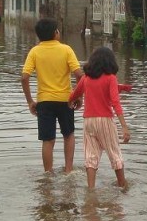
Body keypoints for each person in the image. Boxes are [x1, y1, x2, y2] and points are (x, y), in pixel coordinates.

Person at [21, 18, 84, 173]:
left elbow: (24, 78)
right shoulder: (66, 50)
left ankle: (48, 174)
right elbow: (80, 76)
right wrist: (78, 96)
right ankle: (68, 171)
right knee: (68, 135)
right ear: (55, 33)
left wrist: (30, 102)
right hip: (66, 101)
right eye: (58, 30)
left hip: (44, 102)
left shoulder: (34, 51)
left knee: (47, 140)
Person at [69, 47, 131, 189]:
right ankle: (122, 185)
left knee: (90, 156)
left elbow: (74, 94)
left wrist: (70, 103)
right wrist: (124, 126)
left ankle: (91, 190)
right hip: (105, 120)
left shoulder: (86, 79)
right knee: (115, 153)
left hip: (88, 122)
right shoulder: (111, 78)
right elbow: (115, 102)